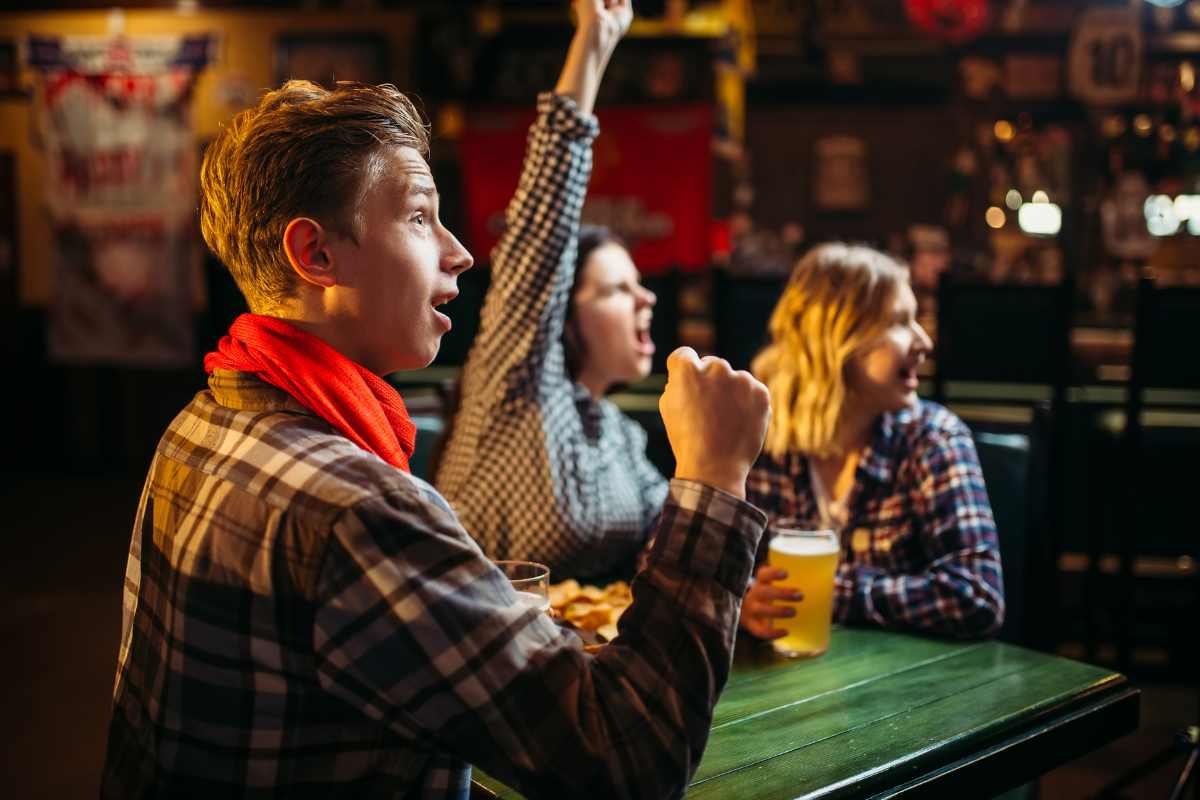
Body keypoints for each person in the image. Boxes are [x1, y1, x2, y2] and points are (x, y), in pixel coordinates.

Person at [100, 3, 773, 798]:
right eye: (421, 216)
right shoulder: (358, 507)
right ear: (315, 253)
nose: (459, 251)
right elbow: (630, 760)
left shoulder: (202, 421)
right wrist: (716, 478)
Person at [434, 63, 668, 580]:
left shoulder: (619, 433)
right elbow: (540, 238)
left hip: (584, 649)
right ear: (560, 314)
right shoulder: (517, 393)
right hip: (485, 647)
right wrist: (595, 45)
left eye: (639, 284)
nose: (645, 298)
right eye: (615, 290)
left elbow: (667, 527)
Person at [738, 243, 1004, 642]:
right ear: (838, 338)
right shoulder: (754, 440)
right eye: (900, 321)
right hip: (782, 683)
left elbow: (978, 596)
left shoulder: (932, 439)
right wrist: (742, 602)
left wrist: (829, 590)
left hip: (906, 690)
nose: (925, 342)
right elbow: (668, 565)